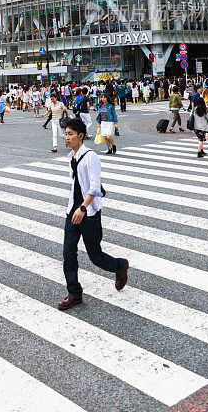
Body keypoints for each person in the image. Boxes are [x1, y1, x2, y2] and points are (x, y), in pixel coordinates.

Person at [57, 117, 128, 311]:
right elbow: (76, 185)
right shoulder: (71, 157)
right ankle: (74, 293)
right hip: (73, 211)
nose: (67, 137)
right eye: (66, 134)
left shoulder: (91, 157)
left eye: (70, 134)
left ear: (81, 136)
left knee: (95, 256)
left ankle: (120, 266)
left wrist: (83, 208)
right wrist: (75, 208)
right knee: (68, 253)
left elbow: (95, 187)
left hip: (88, 213)